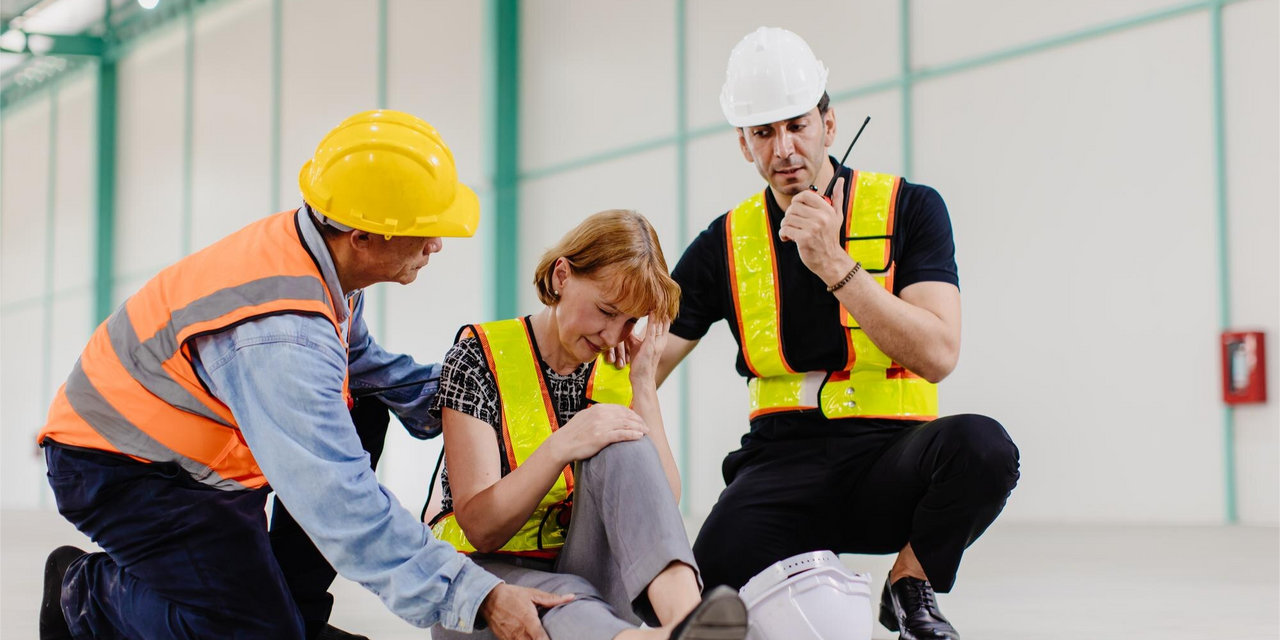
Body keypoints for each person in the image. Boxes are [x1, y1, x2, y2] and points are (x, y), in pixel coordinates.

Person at [36, 110, 570, 640]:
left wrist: (483, 394)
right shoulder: (282, 336)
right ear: (363, 236)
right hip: (125, 468)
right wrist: (474, 594)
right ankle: (83, 595)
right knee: (249, 630)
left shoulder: (315, 258)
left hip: (197, 456)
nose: (436, 246)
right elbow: (338, 498)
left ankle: (297, 616)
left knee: (363, 406)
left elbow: (367, 368)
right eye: (423, 232)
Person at [620, 28, 1022, 640]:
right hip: (781, 463)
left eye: (797, 125)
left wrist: (836, 266)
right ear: (744, 144)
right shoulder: (722, 245)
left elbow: (940, 354)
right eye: (763, 133)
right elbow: (642, 360)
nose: (783, 149)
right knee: (691, 596)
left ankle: (909, 583)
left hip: (893, 461)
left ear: (829, 124)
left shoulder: (910, 209)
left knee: (985, 449)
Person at [425, 209, 748, 640]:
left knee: (627, 441)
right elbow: (482, 529)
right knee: (567, 594)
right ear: (562, 277)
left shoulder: (617, 369)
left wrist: (644, 387)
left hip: (587, 580)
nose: (614, 336)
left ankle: (686, 621)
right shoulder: (477, 358)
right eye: (606, 310)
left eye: (631, 321)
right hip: (484, 586)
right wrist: (563, 445)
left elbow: (657, 507)